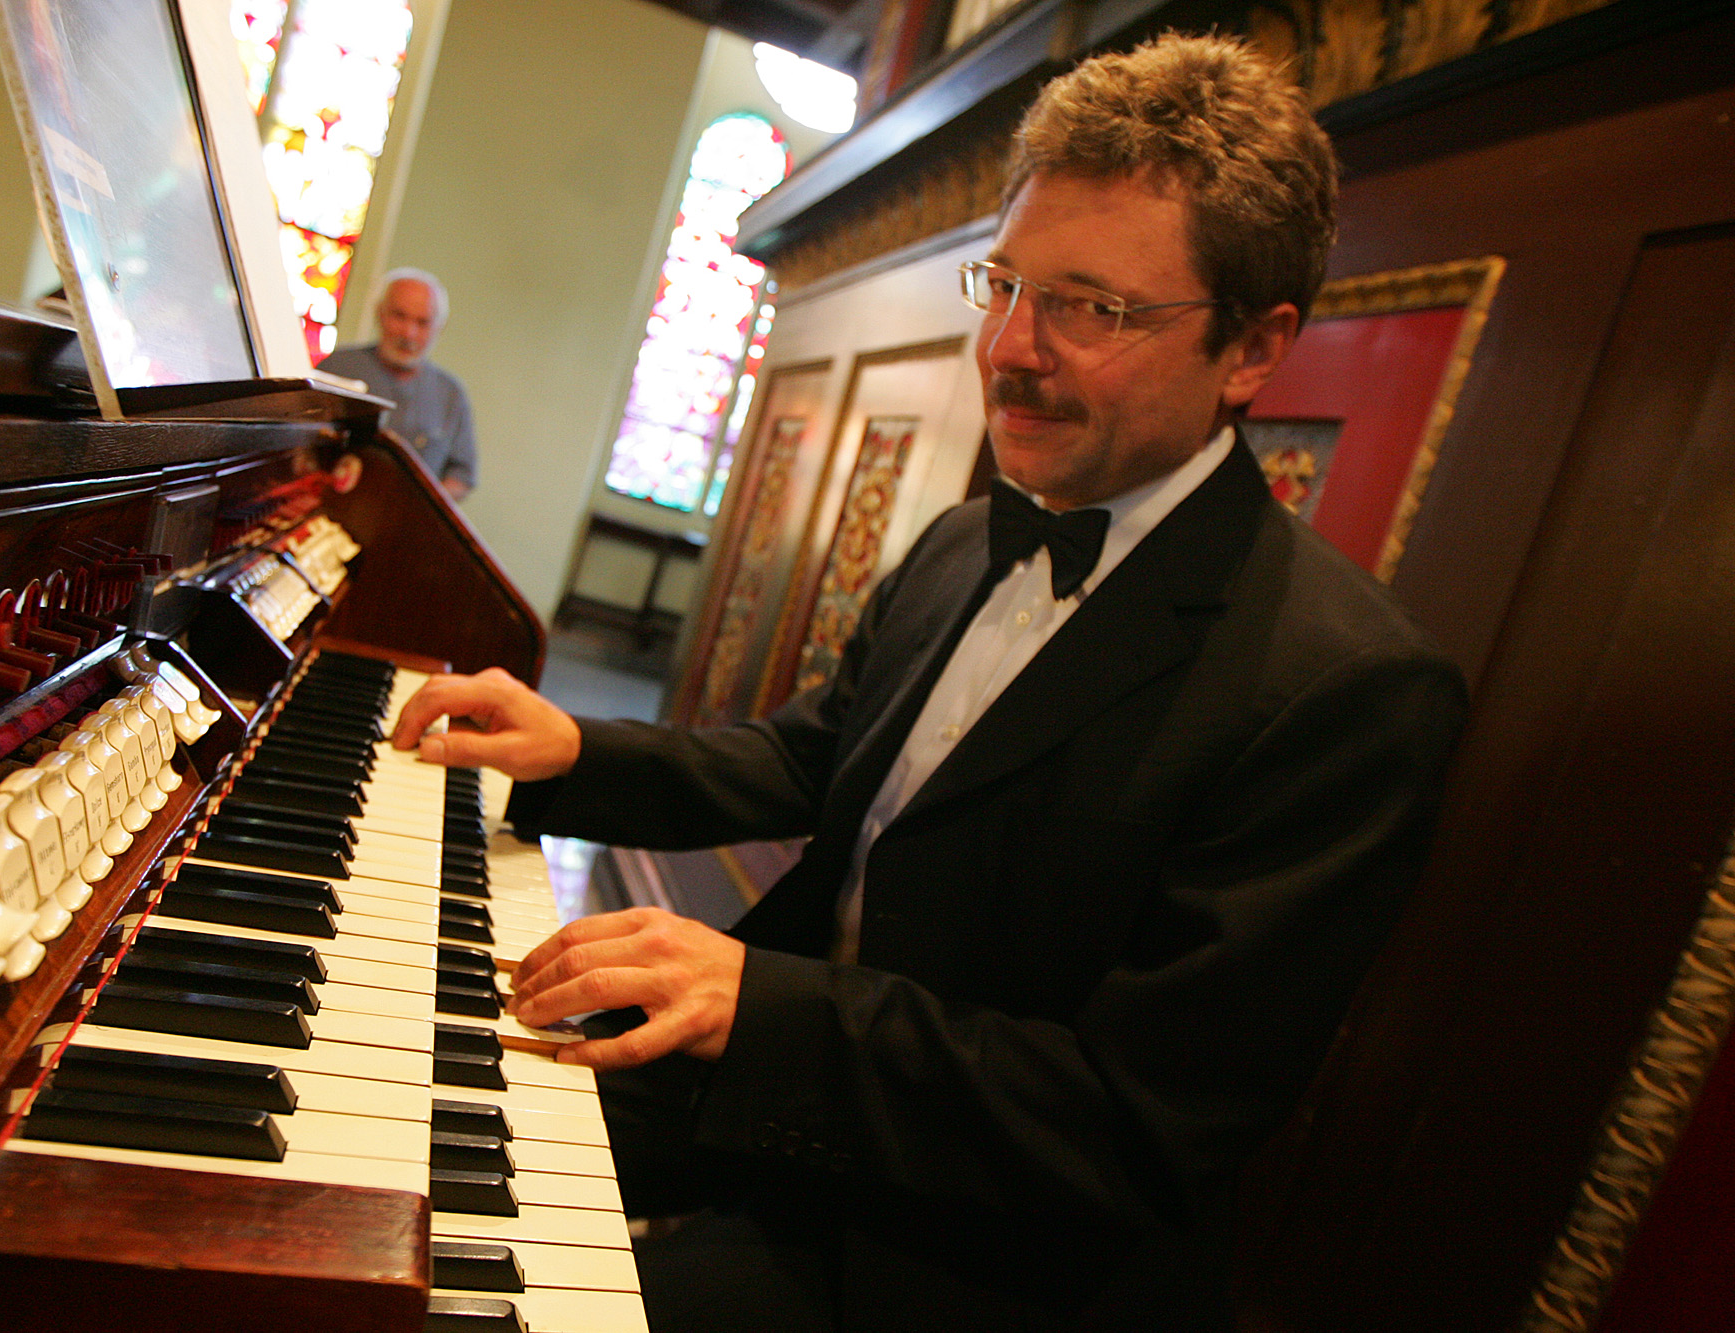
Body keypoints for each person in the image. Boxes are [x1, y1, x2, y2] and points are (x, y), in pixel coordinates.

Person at [392, 33, 1466, 1331]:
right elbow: (814, 757)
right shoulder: (970, 535)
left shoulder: (1348, 691)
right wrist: (576, 750)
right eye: (1004, 285)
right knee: (395, 1114)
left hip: (979, 1254)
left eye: (1091, 308)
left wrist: (764, 1006)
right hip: (793, 1105)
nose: (1008, 348)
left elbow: (1133, 1123)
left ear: (1250, 348)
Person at [317, 267, 477, 499]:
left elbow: (462, 476)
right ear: (379, 313)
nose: (409, 333)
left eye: (422, 322)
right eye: (399, 316)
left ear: (438, 328)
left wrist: (418, 502)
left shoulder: (451, 394)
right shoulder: (337, 368)